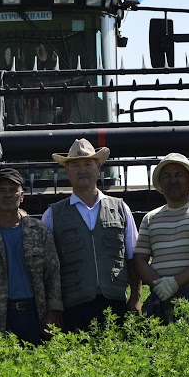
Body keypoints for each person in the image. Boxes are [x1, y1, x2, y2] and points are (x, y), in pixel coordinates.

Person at [42, 139, 142, 332]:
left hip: (116, 305)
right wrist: (53, 307)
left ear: (98, 167)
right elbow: (48, 268)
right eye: (75, 165)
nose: (82, 170)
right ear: (67, 171)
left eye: (88, 164)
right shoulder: (52, 214)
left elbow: (133, 257)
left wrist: (136, 298)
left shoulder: (120, 208)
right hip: (72, 309)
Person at [0, 167, 64, 345]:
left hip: (36, 314)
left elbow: (53, 273)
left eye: (13, 190)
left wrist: (54, 310)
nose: (8, 195)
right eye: (2, 190)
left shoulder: (39, 230)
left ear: (22, 195)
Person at [133, 153, 189, 331]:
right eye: (166, 176)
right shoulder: (150, 218)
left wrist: (174, 283)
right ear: (160, 184)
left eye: (178, 175)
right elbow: (139, 259)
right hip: (159, 295)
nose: (173, 180)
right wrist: (159, 285)